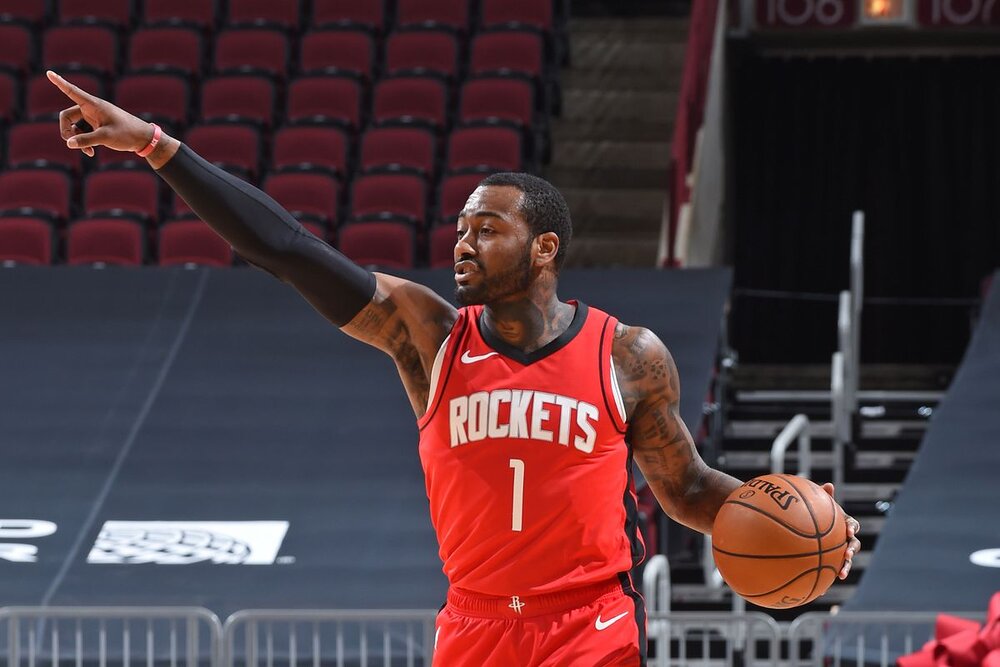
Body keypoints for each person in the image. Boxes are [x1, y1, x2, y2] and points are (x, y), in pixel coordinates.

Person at [47, 70, 860, 666]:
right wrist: (157, 146)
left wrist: (802, 523)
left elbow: (686, 488)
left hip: (588, 625)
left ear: (544, 247)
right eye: (462, 226)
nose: (463, 242)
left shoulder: (626, 354)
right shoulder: (429, 335)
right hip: (473, 625)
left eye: (487, 227)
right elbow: (286, 248)